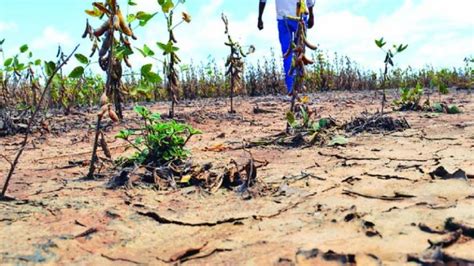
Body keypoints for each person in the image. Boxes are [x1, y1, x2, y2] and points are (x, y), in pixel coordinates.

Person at [258, 0, 315, 95]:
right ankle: (297, 87)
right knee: (298, 53)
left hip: (287, 17)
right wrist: (312, 14)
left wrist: (260, 17)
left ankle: (292, 87)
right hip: (296, 17)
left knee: (289, 54)